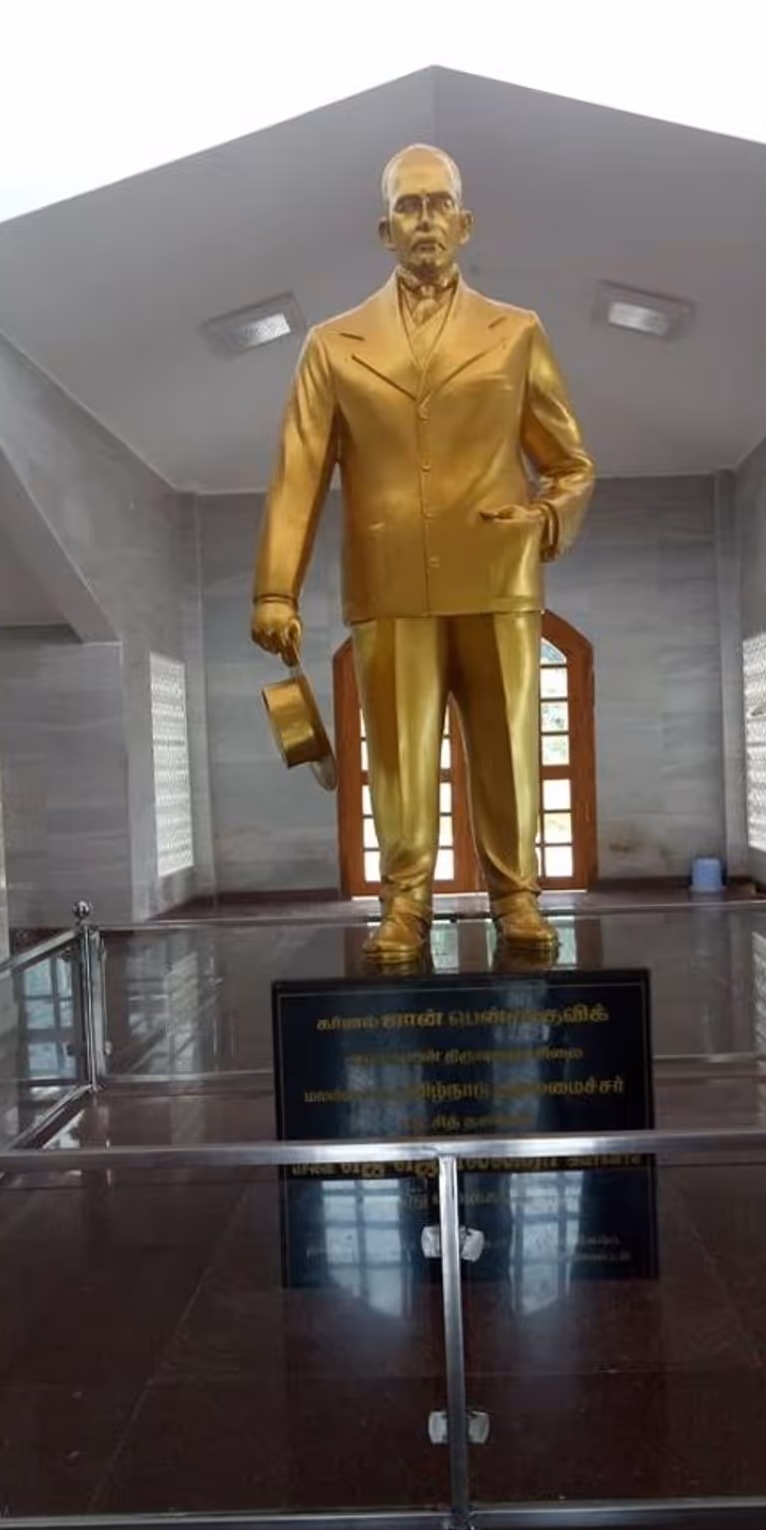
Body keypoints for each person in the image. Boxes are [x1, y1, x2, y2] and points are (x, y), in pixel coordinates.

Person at [251, 144, 594, 962]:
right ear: (385, 230)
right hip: (389, 579)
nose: (426, 219)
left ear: (464, 223)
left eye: (439, 204)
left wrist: (545, 521)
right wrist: (275, 590)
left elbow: (571, 464)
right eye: (409, 206)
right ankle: (404, 902)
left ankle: (516, 896)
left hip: (498, 572)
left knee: (508, 743)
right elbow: (298, 473)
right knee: (399, 752)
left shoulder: (516, 333)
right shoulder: (333, 346)